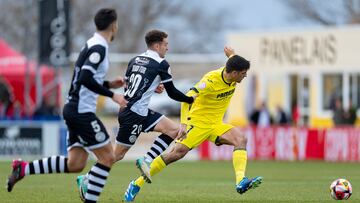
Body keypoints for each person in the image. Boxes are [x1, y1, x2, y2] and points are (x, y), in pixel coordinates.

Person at [6, 8, 128, 203]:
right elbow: (86, 78)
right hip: (81, 112)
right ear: (114, 25)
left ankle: (23, 169)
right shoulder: (99, 48)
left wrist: (108, 84)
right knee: (108, 158)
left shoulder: (90, 44)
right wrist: (113, 95)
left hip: (73, 109)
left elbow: (81, 79)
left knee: (76, 164)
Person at [125, 47, 263, 201]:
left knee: (241, 139)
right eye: (243, 73)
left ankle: (240, 182)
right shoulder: (210, 81)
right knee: (175, 154)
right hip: (197, 124)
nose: (245, 76)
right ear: (235, 72)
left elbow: (234, 59)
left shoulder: (233, 67)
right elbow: (187, 98)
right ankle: (136, 184)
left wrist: (231, 54)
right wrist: (183, 124)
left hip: (216, 124)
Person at [76, 29, 195, 201]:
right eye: (166, 44)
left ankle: (147, 159)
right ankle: (87, 178)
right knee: (116, 155)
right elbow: (172, 93)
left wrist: (153, 87)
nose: (167, 48)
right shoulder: (162, 63)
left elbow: (129, 86)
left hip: (135, 110)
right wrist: (190, 99)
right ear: (157, 45)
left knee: (174, 130)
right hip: (134, 114)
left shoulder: (135, 60)